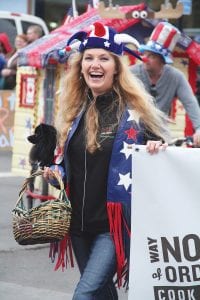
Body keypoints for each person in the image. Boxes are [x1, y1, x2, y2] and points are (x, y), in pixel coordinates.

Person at [43, 22, 170, 300]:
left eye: (103, 58)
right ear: (81, 67)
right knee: (101, 292)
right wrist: (55, 172)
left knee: (84, 295)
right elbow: (66, 164)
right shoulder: (74, 112)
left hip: (112, 228)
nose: (95, 64)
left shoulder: (133, 114)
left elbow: (163, 153)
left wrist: (156, 146)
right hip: (77, 225)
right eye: (89, 58)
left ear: (115, 68)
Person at [130, 21, 200, 147]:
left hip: (160, 133)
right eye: (145, 54)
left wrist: (199, 128)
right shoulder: (131, 73)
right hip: (132, 131)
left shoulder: (176, 77)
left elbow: (190, 103)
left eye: (151, 56)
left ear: (162, 60)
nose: (145, 58)